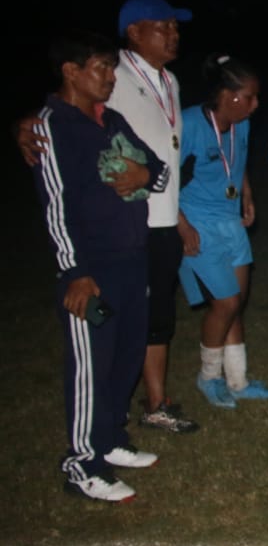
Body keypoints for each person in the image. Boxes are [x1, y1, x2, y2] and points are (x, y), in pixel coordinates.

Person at [17, 0, 200, 434]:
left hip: (158, 217)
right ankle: (127, 416)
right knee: (113, 330)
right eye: (163, 26)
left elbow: (162, 155)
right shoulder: (113, 74)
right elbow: (68, 108)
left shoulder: (170, 81)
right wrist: (25, 125)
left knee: (153, 318)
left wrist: (175, 213)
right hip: (119, 227)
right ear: (134, 32)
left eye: (176, 26)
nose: (173, 33)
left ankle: (143, 406)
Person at [33, 31, 167, 502]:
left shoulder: (111, 119)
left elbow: (158, 170)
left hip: (132, 259)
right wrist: (75, 271)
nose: (111, 77)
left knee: (125, 354)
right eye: (101, 68)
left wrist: (143, 174)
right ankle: (82, 464)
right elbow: (55, 205)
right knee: (91, 363)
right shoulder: (52, 126)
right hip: (92, 270)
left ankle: (109, 438)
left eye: (112, 67)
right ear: (71, 71)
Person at [178, 54, 268, 408]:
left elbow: (236, 162)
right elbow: (163, 179)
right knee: (226, 303)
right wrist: (182, 226)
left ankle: (238, 381)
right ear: (228, 95)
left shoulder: (240, 124)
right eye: (250, 97)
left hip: (231, 222)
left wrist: (247, 194)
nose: (256, 104)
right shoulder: (188, 125)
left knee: (236, 303)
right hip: (198, 224)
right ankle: (209, 377)